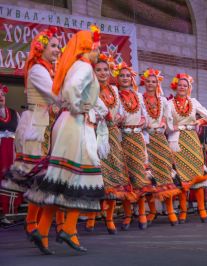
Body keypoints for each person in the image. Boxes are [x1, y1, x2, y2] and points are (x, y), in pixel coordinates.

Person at [25, 26, 104, 254]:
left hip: (72, 123)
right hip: (76, 125)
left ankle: (44, 229)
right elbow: (70, 90)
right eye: (96, 49)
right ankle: (67, 229)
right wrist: (79, 108)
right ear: (87, 49)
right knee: (80, 178)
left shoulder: (77, 66)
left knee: (63, 180)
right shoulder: (85, 67)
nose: (98, 53)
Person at [1, 28, 65, 236]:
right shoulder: (38, 70)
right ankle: (33, 225)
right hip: (38, 127)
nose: (58, 49)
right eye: (53, 46)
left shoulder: (50, 70)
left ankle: (46, 225)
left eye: (58, 46)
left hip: (49, 124)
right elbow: (55, 95)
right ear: (41, 48)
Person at [85, 55, 137, 234]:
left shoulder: (114, 89)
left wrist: (119, 117)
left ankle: (109, 219)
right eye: (98, 70)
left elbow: (120, 111)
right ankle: (91, 218)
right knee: (97, 175)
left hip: (113, 135)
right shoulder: (89, 89)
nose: (102, 73)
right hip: (94, 134)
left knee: (114, 175)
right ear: (93, 72)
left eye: (105, 70)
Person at [167, 73, 207, 223]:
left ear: (189, 88)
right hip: (176, 140)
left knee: (197, 173)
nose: (182, 87)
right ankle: (183, 211)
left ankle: (202, 209)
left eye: (185, 85)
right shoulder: (169, 104)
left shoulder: (194, 102)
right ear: (175, 86)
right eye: (180, 85)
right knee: (182, 176)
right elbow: (166, 124)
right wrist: (173, 126)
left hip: (192, 139)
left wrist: (201, 121)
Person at [116, 63, 157, 230]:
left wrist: (142, 120)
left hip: (138, 138)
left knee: (139, 176)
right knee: (125, 178)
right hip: (122, 138)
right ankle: (127, 215)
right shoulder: (115, 95)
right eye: (122, 76)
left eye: (128, 76)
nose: (125, 78)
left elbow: (146, 117)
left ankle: (141, 213)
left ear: (132, 79)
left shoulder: (139, 97)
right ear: (118, 79)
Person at [141, 68, 181, 226]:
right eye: (148, 81)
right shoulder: (139, 98)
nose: (151, 84)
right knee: (149, 175)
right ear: (144, 82)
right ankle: (152, 211)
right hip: (146, 138)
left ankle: (170, 210)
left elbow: (168, 117)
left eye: (154, 81)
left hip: (160, 138)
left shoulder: (163, 100)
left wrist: (165, 122)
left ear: (158, 83)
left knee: (165, 170)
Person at [0, 84, 22, 225]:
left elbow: (19, 134)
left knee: (12, 178)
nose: (0, 97)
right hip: (1, 150)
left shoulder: (14, 113)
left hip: (12, 151)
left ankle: (11, 211)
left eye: (1, 94)